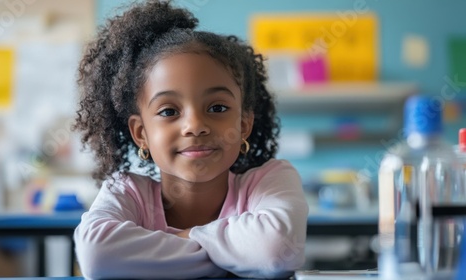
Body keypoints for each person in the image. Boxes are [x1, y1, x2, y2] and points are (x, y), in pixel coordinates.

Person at [72, 0, 308, 278]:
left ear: (244, 124)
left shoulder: (270, 179)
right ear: (141, 133)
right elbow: (97, 256)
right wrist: (238, 254)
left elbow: (275, 250)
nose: (195, 126)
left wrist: (160, 251)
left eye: (217, 108)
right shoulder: (127, 192)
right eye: (169, 111)